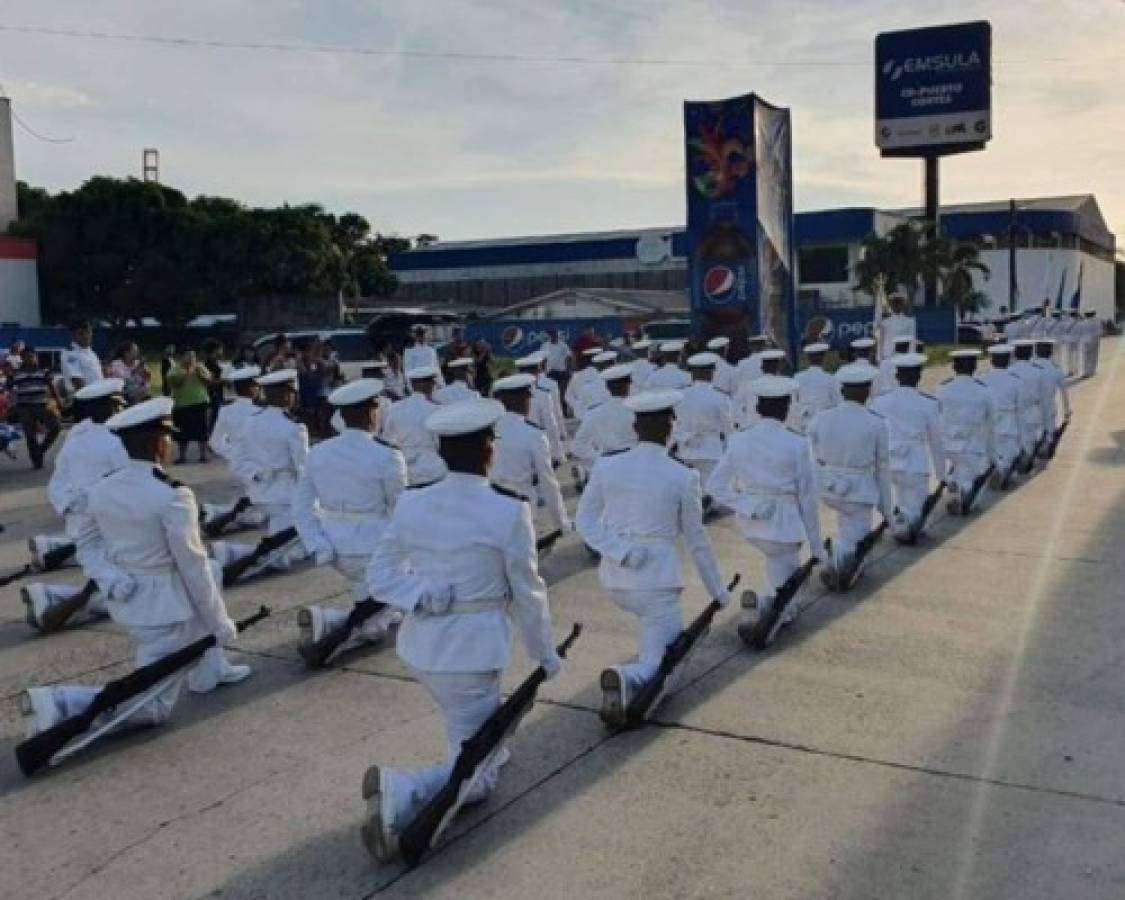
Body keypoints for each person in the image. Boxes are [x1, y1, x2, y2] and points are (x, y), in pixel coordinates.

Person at [361, 398, 562, 862]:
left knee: (476, 734)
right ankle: (403, 787)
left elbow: (381, 576)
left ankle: (465, 754)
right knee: (479, 776)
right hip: (470, 654)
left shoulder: (414, 501)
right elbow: (528, 593)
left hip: (421, 646)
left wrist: (420, 595)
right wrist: (545, 655)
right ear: (489, 450)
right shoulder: (508, 510)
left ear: (438, 450)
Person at [20, 397, 251, 748]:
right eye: (168, 437)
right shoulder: (173, 495)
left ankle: (210, 672)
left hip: (129, 599)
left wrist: (110, 579)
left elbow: (87, 544)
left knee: (209, 584)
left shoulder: (101, 490)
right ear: (159, 443)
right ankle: (61, 702)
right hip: (166, 608)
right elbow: (192, 566)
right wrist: (221, 623)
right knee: (153, 706)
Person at [576, 389, 731, 727]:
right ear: (670, 427)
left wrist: (619, 551)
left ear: (635, 427)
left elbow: (584, 522)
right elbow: (697, 541)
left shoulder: (607, 464)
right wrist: (718, 592)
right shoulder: (683, 475)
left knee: (652, 630)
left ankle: (633, 671)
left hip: (615, 579)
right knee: (663, 662)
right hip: (657, 584)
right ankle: (626, 676)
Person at [295, 379, 407, 664]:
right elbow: (401, 512)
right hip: (373, 548)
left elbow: (301, 506)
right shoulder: (387, 454)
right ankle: (329, 621)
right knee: (382, 622)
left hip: (334, 546)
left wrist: (317, 544)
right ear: (372, 412)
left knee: (385, 601)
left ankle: (371, 609)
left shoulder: (318, 452)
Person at [707, 375, 822, 639]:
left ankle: (766, 599)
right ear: (787, 408)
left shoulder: (740, 439)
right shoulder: (797, 442)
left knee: (780, 567)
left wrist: (747, 504)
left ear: (757, 408)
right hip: (784, 525)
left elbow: (716, 486)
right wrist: (816, 547)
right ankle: (764, 602)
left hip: (752, 524)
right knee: (791, 593)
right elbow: (807, 498)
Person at [210, 370, 311, 577]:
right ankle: (229, 554)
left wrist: (254, 475)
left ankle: (225, 541)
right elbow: (303, 469)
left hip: (260, 493)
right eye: (292, 392)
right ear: (285, 395)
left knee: (293, 540)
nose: (294, 397)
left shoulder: (252, 420)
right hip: (286, 496)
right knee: (294, 550)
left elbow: (237, 457)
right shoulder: (293, 427)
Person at [807, 363, 893, 589]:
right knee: (856, 538)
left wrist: (820, 477)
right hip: (858, 490)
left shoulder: (821, 418)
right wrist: (887, 509)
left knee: (846, 522)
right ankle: (836, 556)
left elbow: (809, 454)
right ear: (867, 391)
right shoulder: (876, 422)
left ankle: (841, 555)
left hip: (828, 488)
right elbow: (882, 469)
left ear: (842, 391)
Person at [869, 352, 946, 542]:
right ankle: (906, 529)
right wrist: (941, 473)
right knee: (915, 505)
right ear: (919, 376)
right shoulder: (928, 404)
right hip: (914, 462)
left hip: (889, 461)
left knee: (894, 500)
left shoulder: (880, 402)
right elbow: (936, 442)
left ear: (897, 376)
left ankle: (899, 524)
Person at [489, 375, 571, 536]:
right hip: (520, 503)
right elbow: (548, 483)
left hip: (491, 503)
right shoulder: (533, 434)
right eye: (528, 398)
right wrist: (562, 522)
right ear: (523, 400)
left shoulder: (489, 428)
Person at [200, 365, 269, 532]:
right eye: (257, 386)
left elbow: (214, 442)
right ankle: (225, 513)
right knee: (261, 515)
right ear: (253, 388)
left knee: (261, 505)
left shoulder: (226, 411)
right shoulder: (260, 412)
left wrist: (233, 454)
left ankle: (212, 510)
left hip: (238, 465)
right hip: (259, 465)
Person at [937, 350, 995, 515]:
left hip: (948, 443)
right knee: (973, 475)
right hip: (972, 444)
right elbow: (991, 422)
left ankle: (953, 483)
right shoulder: (984, 390)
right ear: (975, 366)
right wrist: (992, 452)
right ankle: (962, 491)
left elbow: (937, 416)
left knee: (957, 468)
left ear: (954, 367)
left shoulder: (943, 388)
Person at [674, 353, 733, 505]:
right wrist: (729, 451)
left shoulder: (680, 395)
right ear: (711, 372)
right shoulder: (719, 397)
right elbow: (728, 429)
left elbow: (675, 422)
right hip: (711, 449)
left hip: (686, 448)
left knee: (691, 491)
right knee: (712, 491)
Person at [570, 364, 637, 483]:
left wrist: (600, 457)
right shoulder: (639, 411)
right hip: (635, 468)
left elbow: (577, 446)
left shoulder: (594, 414)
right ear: (629, 384)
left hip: (608, 470)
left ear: (606, 387)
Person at [382, 366, 446, 487]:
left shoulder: (394, 408)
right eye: (432, 383)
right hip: (433, 472)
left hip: (405, 473)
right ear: (428, 385)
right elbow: (440, 444)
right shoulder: (436, 409)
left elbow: (387, 441)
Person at [979, 344, 1024, 486]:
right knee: (1010, 450)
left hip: (989, 421)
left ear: (992, 361)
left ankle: (994, 471)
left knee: (990, 449)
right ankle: (1004, 472)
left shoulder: (983, 379)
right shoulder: (1016, 380)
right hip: (1008, 419)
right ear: (1009, 360)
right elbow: (1020, 408)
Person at [11, 346, 62, 469]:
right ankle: (37, 461)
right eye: (28, 357)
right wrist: (13, 405)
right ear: (23, 359)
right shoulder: (17, 373)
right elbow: (11, 390)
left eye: (33, 356)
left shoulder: (43, 371)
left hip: (41, 406)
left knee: (56, 427)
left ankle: (41, 449)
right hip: (24, 408)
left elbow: (51, 386)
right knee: (30, 435)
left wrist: (58, 401)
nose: (31, 359)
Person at [514, 352, 566, 466]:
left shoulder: (509, 394)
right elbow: (551, 423)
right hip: (539, 445)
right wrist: (558, 453)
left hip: (516, 449)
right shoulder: (543, 395)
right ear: (536, 372)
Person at [166, 349, 212, 464]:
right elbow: (174, 383)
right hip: (181, 404)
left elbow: (209, 380)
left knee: (202, 431)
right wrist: (187, 372)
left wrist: (199, 373)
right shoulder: (174, 369)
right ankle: (182, 456)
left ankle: (203, 454)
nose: (192, 358)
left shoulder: (200, 367)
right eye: (189, 356)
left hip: (200, 402)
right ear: (181, 357)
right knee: (182, 433)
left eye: (193, 356)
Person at [1010, 340, 1047, 463]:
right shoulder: (1038, 371)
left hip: (1013, 412)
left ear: (1015, 353)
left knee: (1014, 442)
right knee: (1030, 439)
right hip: (1031, 410)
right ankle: (1027, 462)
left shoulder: (1010, 370)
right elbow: (1043, 396)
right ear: (1031, 353)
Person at [792, 342, 840, 433]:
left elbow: (794, 403)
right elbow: (836, 403)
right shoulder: (831, 379)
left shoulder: (798, 377)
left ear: (808, 358)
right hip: (824, 425)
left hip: (803, 423)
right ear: (823, 357)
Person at [1034, 339, 1071, 449]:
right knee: (1049, 430)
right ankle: (1048, 447)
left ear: (1036, 352)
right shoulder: (1055, 369)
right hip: (1049, 404)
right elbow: (1064, 392)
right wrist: (1066, 411)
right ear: (1051, 353)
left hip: (1033, 406)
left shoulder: (1031, 368)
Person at [565, 348, 611, 422]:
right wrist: (578, 405)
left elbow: (567, 396)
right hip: (594, 413)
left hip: (594, 412)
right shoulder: (575, 377)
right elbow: (567, 396)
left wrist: (577, 405)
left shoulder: (592, 372)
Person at [61, 321, 104, 398]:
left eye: (88, 332)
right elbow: (77, 381)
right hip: (81, 398)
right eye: (81, 333)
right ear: (73, 335)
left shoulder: (92, 353)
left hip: (97, 396)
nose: (86, 336)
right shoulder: (70, 354)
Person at [541, 329, 573, 409]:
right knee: (552, 394)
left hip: (561, 372)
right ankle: (554, 410)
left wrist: (568, 370)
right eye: (551, 335)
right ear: (549, 336)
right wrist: (543, 372)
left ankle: (564, 411)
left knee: (563, 393)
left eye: (555, 334)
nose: (553, 336)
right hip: (550, 373)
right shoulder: (545, 345)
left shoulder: (563, 345)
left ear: (557, 335)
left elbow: (569, 357)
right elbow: (542, 359)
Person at [877, 295, 916, 360]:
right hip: (888, 356)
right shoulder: (884, 322)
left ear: (903, 305)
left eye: (899, 303)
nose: (896, 305)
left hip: (904, 357)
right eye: (894, 303)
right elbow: (881, 341)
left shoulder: (910, 321)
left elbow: (912, 340)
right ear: (891, 305)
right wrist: (879, 357)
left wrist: (911, 357)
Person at [201, 339, 226, 436]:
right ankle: (211, 437)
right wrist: (224, 380)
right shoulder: (209, 364)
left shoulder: (216, 362)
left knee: (217, 417)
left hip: (218, 393)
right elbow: (210, 382)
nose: (222, 351)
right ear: (215, 350)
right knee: (215, 418)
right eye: (220, 349)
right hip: (213, 395)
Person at [1081, 311, 1101, 377]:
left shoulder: (1083, 322)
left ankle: (1086, 372)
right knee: (1094, 356)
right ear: (1093, 315)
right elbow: (1099, 332)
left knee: (1086, 357)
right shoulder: (1097, 322)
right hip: (1094, 340)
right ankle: (1093, 370)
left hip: (1085, 340)